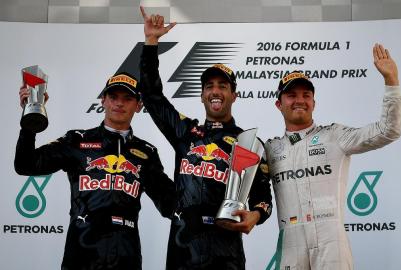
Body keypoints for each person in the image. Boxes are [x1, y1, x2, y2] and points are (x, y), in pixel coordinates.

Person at [138, 7, 272, 270]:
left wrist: (254, 216)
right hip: (183, 247)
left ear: (234, 95)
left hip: (226, 251)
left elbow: (262, 196)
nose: (215, 91)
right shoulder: (186, 132)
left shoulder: (249, 143)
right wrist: (151, 43)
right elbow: (152, 96)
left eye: (223, 86)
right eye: (209, 86)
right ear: (201, 95)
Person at [15, 72, 176, 270]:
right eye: (113, 97)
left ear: (138, 105)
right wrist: (29, 122)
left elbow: (171, 203)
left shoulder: (146, 152)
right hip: (82, 250)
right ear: (103, 101)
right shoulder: (77, 140)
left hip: (126, 254)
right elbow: (25, 165)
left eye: (127, 98)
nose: (119, 103)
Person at [264, 44, 401, 270]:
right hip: (290, 241)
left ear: (314, 103)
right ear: (279, 104)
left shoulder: (335, 136)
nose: (300, 100)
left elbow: (389, 130)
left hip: (331, 240)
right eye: (291, 95)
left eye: (306, 95)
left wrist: (392, 82)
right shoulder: (269, 149)